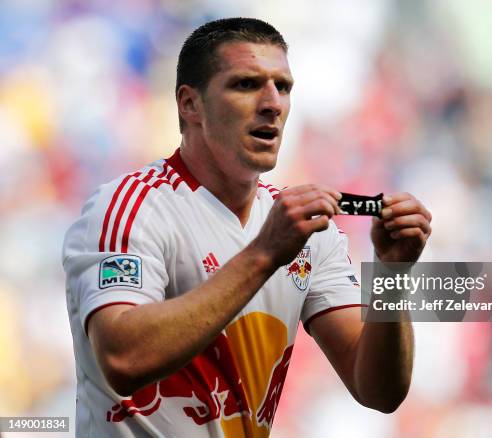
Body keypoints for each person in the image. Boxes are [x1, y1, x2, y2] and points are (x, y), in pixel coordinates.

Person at [63, 17, 432, 437]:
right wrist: (263, 254)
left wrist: (391, 274)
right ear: (190, 105)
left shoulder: (309, 232)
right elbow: (123, 360)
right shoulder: (131, 208)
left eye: (284, 86)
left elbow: (380, 392)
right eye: (245, 84)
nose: (273, 103)